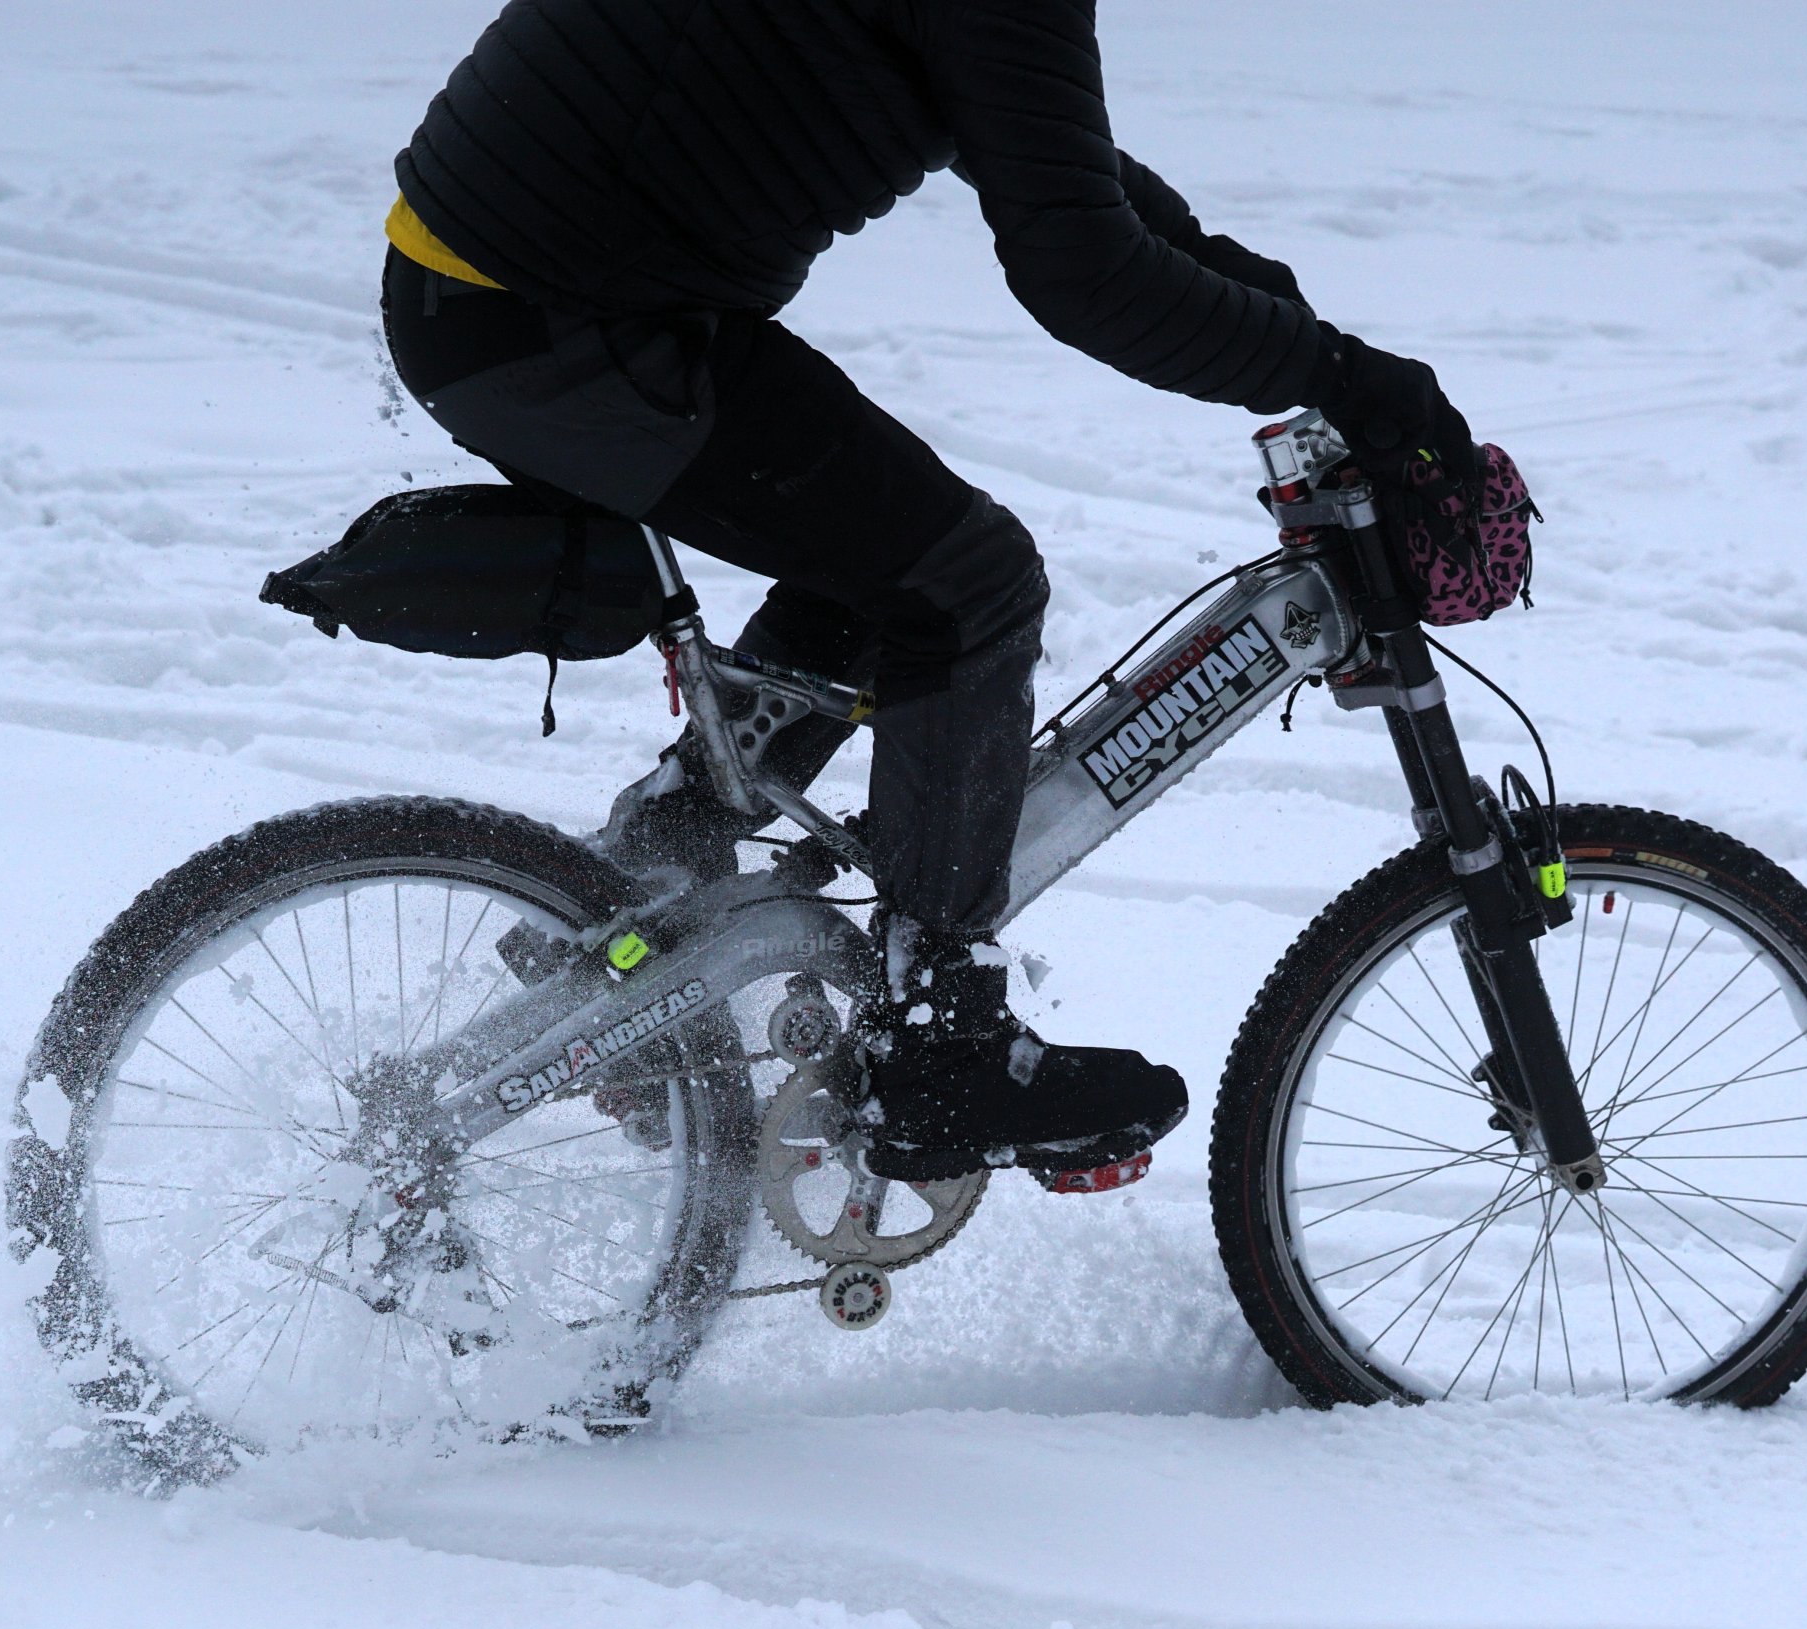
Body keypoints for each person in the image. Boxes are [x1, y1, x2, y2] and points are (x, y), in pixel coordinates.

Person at [379, 0, 1473, 1181]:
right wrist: (1347, 380)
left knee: (883, 562)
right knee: (966, 585)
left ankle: (651, 876)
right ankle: (938, 1046)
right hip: (555, 317)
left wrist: (1257, 303)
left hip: (518, 286)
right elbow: (1081, 268)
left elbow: (1039, 151)